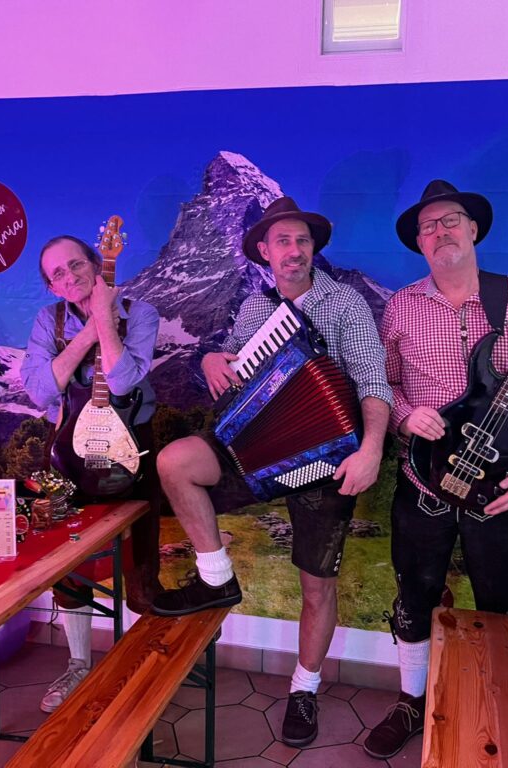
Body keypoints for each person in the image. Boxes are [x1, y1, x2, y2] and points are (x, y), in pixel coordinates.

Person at [150, 197, 392, 747]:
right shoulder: (256, 309)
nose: (294, 250)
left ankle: (303, 690)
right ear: (264, 251)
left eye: (302, 240)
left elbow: (374, 385)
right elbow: (232, 361)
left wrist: (371, 450)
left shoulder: (346, 305)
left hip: (328, 461)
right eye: (283, 241)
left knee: (316, 585)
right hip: (260, 453)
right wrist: (212, 358)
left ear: (313, 249)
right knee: (175, 461)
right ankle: (216, 578)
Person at [364, 181, 508, 759]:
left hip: (501, 480)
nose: (440, 233)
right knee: (414, 591)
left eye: (450, 221)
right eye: (428, 228)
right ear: (419, 244)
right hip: (424, 480)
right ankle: (410, 700)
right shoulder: (401, 306)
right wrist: (405, 415)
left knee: (498, 597)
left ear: (473, 229)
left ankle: (494, 701)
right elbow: (385, 385)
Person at [20, 234, 163, 713]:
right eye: (57, 274)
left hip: (133, 452)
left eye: (76, 265)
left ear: (95, 263)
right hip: (67, 457)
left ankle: (146, 663)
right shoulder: (48, 321)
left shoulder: (141, 313)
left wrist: (105, 316)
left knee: (142, 561)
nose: (69, 277)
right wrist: (90, 330)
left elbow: (123, 380)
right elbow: (41, 391)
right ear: (52, 286)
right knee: (65, 558)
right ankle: (79, 663)